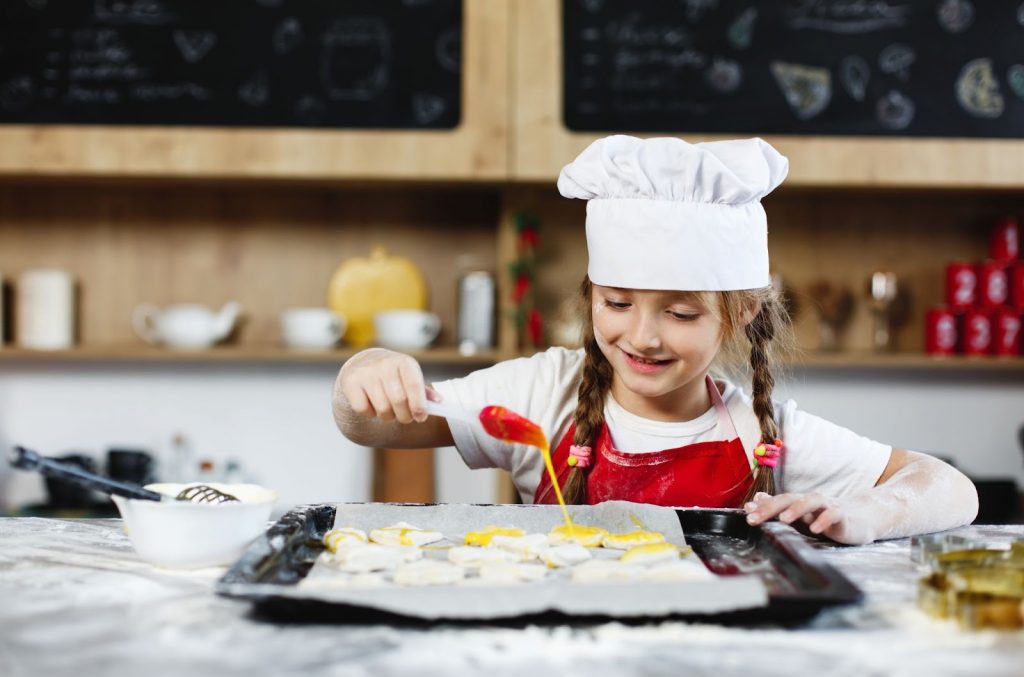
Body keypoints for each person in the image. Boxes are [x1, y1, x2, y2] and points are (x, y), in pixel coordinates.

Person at [333, 135, 978, 545]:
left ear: (740, 311)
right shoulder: (539, 395)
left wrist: (867, 514)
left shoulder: (765, 433)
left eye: (680, 313)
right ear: (591, 294)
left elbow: (951, 488)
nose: (641, 336)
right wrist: (368, 372)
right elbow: (370, 426)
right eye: (617, 303)